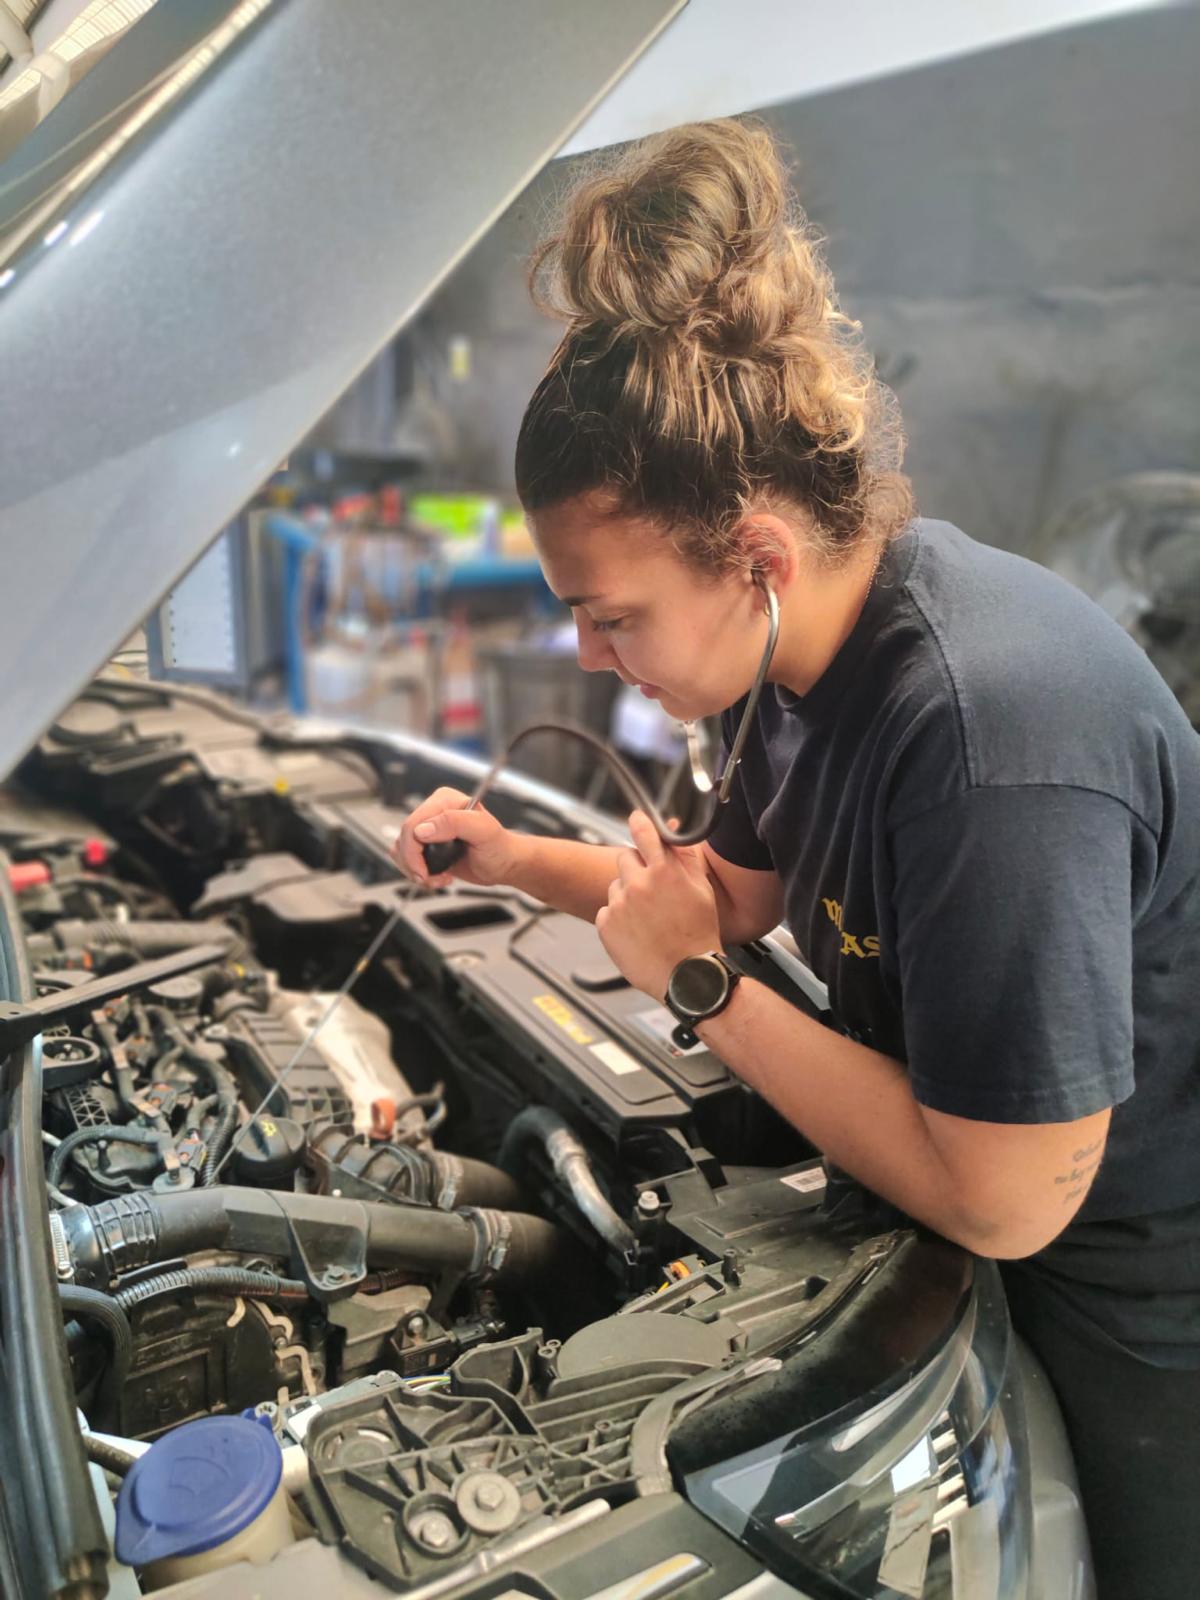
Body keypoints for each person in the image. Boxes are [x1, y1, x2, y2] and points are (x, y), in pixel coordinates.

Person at [395, 120, 1200, 1598]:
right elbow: (722, 900)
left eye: (613, 612)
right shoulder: (801, 670)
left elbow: (1011, 1195)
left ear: (755, 555)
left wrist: (706, 992)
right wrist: (513, 858)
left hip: (1137, 1273)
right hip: (967, 1192)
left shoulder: (985, 738)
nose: (591, 650)